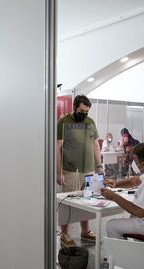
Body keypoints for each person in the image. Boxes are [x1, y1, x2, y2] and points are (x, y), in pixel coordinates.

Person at [57, 95, 104, 247]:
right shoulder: (64, 122)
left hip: (88, 170)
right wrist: (58, 172)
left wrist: (99, 166)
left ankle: (86, 231)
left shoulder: (90, 122)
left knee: (88, 199)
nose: (84, 114)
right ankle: (64, 234)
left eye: (87, 111)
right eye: (81, 110)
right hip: (70, 170)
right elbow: (57, 148)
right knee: (67, 202)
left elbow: (96, 145)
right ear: (74, 107)